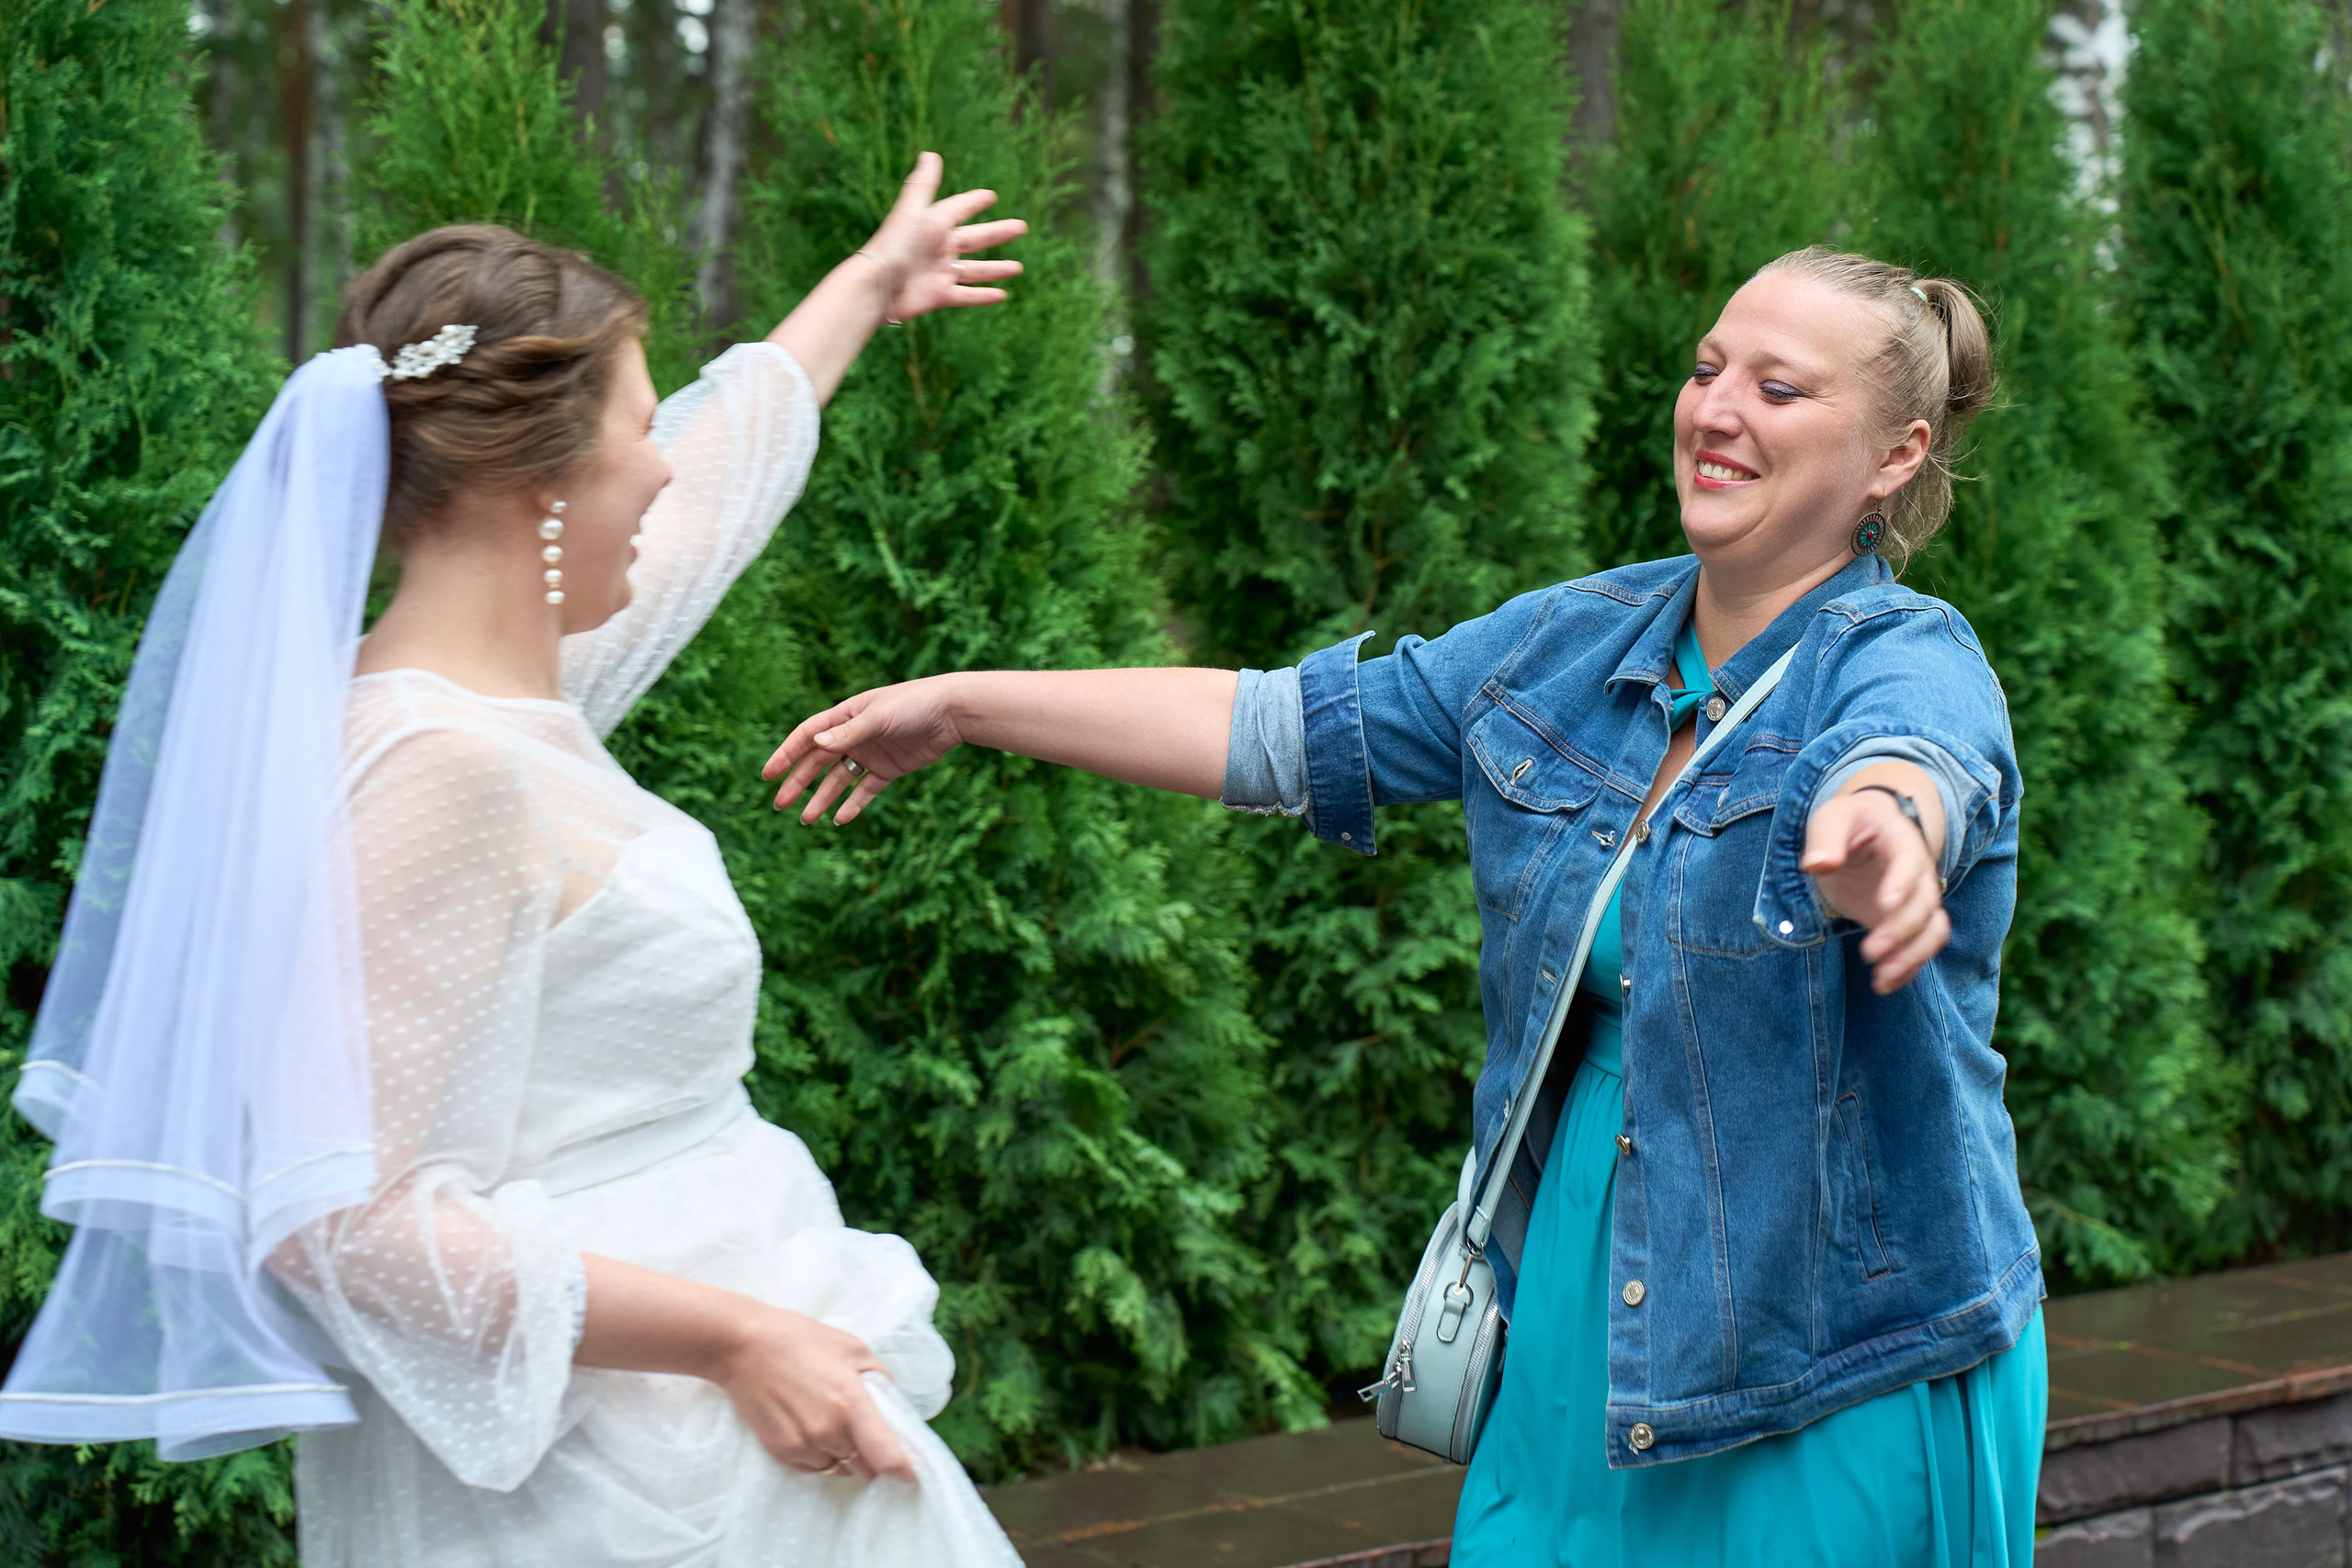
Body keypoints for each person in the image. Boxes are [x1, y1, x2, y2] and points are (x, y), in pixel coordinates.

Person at [765, 247, 2047, 1566]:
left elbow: (1919, 758)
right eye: (1710, 368)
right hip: (1573, 1304)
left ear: (1894, 457)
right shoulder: (1573, 642)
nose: (1719, 411)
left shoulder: (1909, 660)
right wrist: (969, 704)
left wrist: (1882, 834)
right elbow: (1280, 730)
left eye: (1781, 389)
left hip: (1831, 1348)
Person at [1, 154, 1027, 1567]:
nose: (669, 462)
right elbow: (338, 1223)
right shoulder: (441, 770)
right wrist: (736, 1341)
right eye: (640, 428)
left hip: (698, 1427)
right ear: (539, 484)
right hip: (615, 1474)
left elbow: (706, 505)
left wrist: (863, 289)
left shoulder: (503, 702)